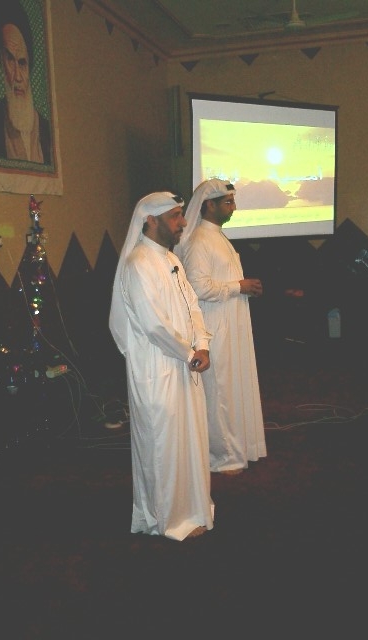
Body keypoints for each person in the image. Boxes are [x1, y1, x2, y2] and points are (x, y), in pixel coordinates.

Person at [109, 191, 214, 541]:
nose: (183, 222)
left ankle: (191, 510)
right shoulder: (138, 263)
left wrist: (202, 344)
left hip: (184, 363)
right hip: (156, 370)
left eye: (181, 214)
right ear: (151, 221)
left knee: (188, 443)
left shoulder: (171, 259)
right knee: (162, 447)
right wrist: (189, 352)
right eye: (175, 216)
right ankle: (164, 520)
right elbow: (154, 325)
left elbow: (192, 305)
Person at [175, 178, 267, 475]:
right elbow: (198, 287)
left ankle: (238, 448)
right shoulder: (199, 240)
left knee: (232, 388)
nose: (233, 207)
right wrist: (238, 286)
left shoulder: (218, 237)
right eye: (228, 202)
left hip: (231, 324)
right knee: (220, 391)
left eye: (233, 201)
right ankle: (222, 455)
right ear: (209, 205)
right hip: (215, 326)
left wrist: (242, 288)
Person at [0, 0, 51, 163]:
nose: (18, 77)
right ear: (1, 61)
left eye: (22, 63)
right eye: (10, 60)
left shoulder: (46, 129)